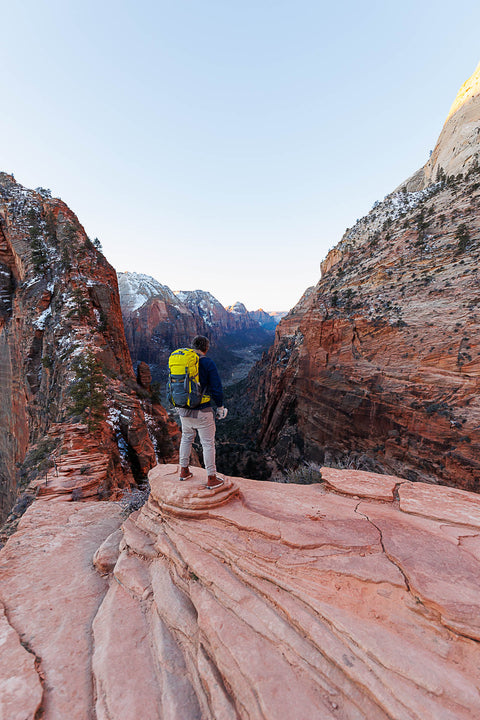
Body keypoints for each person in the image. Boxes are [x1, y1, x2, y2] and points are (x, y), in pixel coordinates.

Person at [178, 336, 228, 489]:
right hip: (202, 411)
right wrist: (220, 407)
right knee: (207, 444)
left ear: (192, 346)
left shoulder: (184, 361)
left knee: (186, 438)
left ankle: (183, 471)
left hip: (183, 410)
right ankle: (211, 478)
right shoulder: (207, 362)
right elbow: (216, 388)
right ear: (206, 348)